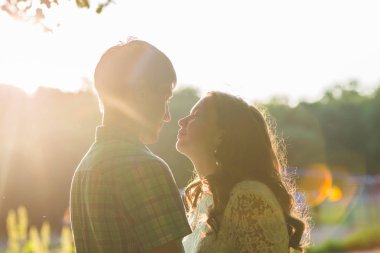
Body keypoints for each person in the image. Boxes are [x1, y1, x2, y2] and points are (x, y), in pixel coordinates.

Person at [70, 39, 191, 253]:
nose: (167, 116)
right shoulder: (146, 168)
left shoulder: (84, 168)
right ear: (141, 92)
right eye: (165, 98)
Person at [176, 91, 310, 253]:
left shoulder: (249, 196)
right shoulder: (207, 199)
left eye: (196, 116)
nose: (181, 121)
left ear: (222, 134)